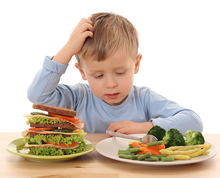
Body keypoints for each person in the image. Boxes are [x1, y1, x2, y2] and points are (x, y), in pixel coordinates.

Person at [27, 12, 203, 135]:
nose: (110, 84)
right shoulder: (78, 97)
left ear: (136, 64)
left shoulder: (144, 99)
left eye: (120, 72)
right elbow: (38, 96)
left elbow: (194, 121)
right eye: (98, 76)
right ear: (82, 72)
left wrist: (146, 127)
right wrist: (68, 49)